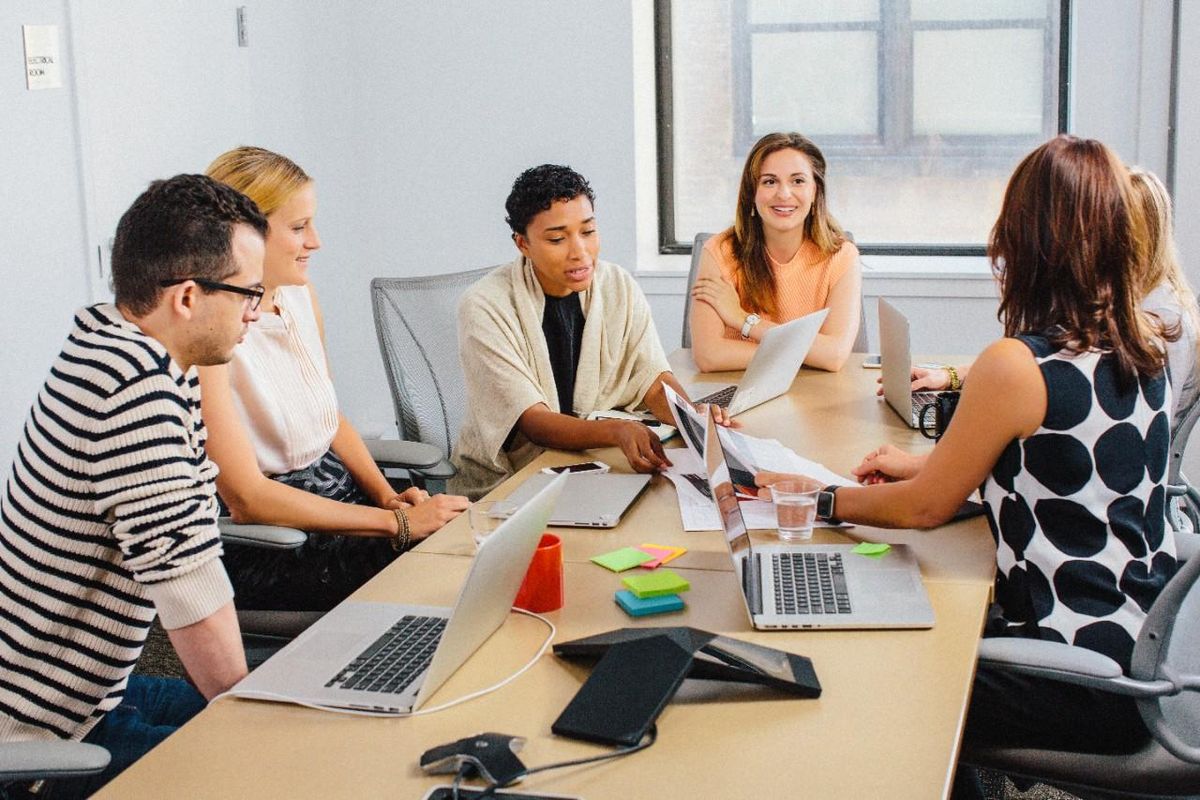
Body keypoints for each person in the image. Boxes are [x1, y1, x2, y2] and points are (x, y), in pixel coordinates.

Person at [755, 135, 1177, 796]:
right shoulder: (1144, 342)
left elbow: (925, 511)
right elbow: (1064, 479)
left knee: (875, 672)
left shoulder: (1019, 366)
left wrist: (819, 498)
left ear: (1030, 240)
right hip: (1144, 646)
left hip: (1082, 676)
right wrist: (926, 469)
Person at [0, 174, 262, 797]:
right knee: (266, 769)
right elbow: (188, 584)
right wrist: (261, 727)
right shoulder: (132, 393)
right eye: (249, 293)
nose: (257, 310)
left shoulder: (112, 345)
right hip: (38, 733)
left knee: (294, 706)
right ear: (188, 297)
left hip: (91, 692)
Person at [202, 147, 467, 612]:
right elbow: (246, 500)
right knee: (446, 568)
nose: (316, 242)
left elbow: (327, 415)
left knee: (463, 538)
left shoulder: (300, 297)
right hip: (274, 537)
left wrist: (387, 499)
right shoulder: (209, 337)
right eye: (299, 227)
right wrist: (397, 527)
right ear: (245, 235)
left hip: (340, 495)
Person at [451, 164, 731, 499]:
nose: (580, 252)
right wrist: (616, 431)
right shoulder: (485, 305)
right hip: (511, 485)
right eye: (557, 238)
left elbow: (652, 380)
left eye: (588, 232)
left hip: (595, 466)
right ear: (522, 244)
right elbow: (532, 420)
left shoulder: (618, 286)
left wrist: (692, 418)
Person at [689, 132, 861, 373]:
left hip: (814, 394)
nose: (784, 194)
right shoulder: (720, 251)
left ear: (815, 192)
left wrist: (743, 320)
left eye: (798, 181)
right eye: (769, 181)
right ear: (752, 193)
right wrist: (806, 352)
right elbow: (709, 356)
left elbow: (833, 356)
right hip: (737, 393)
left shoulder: (841, 256)